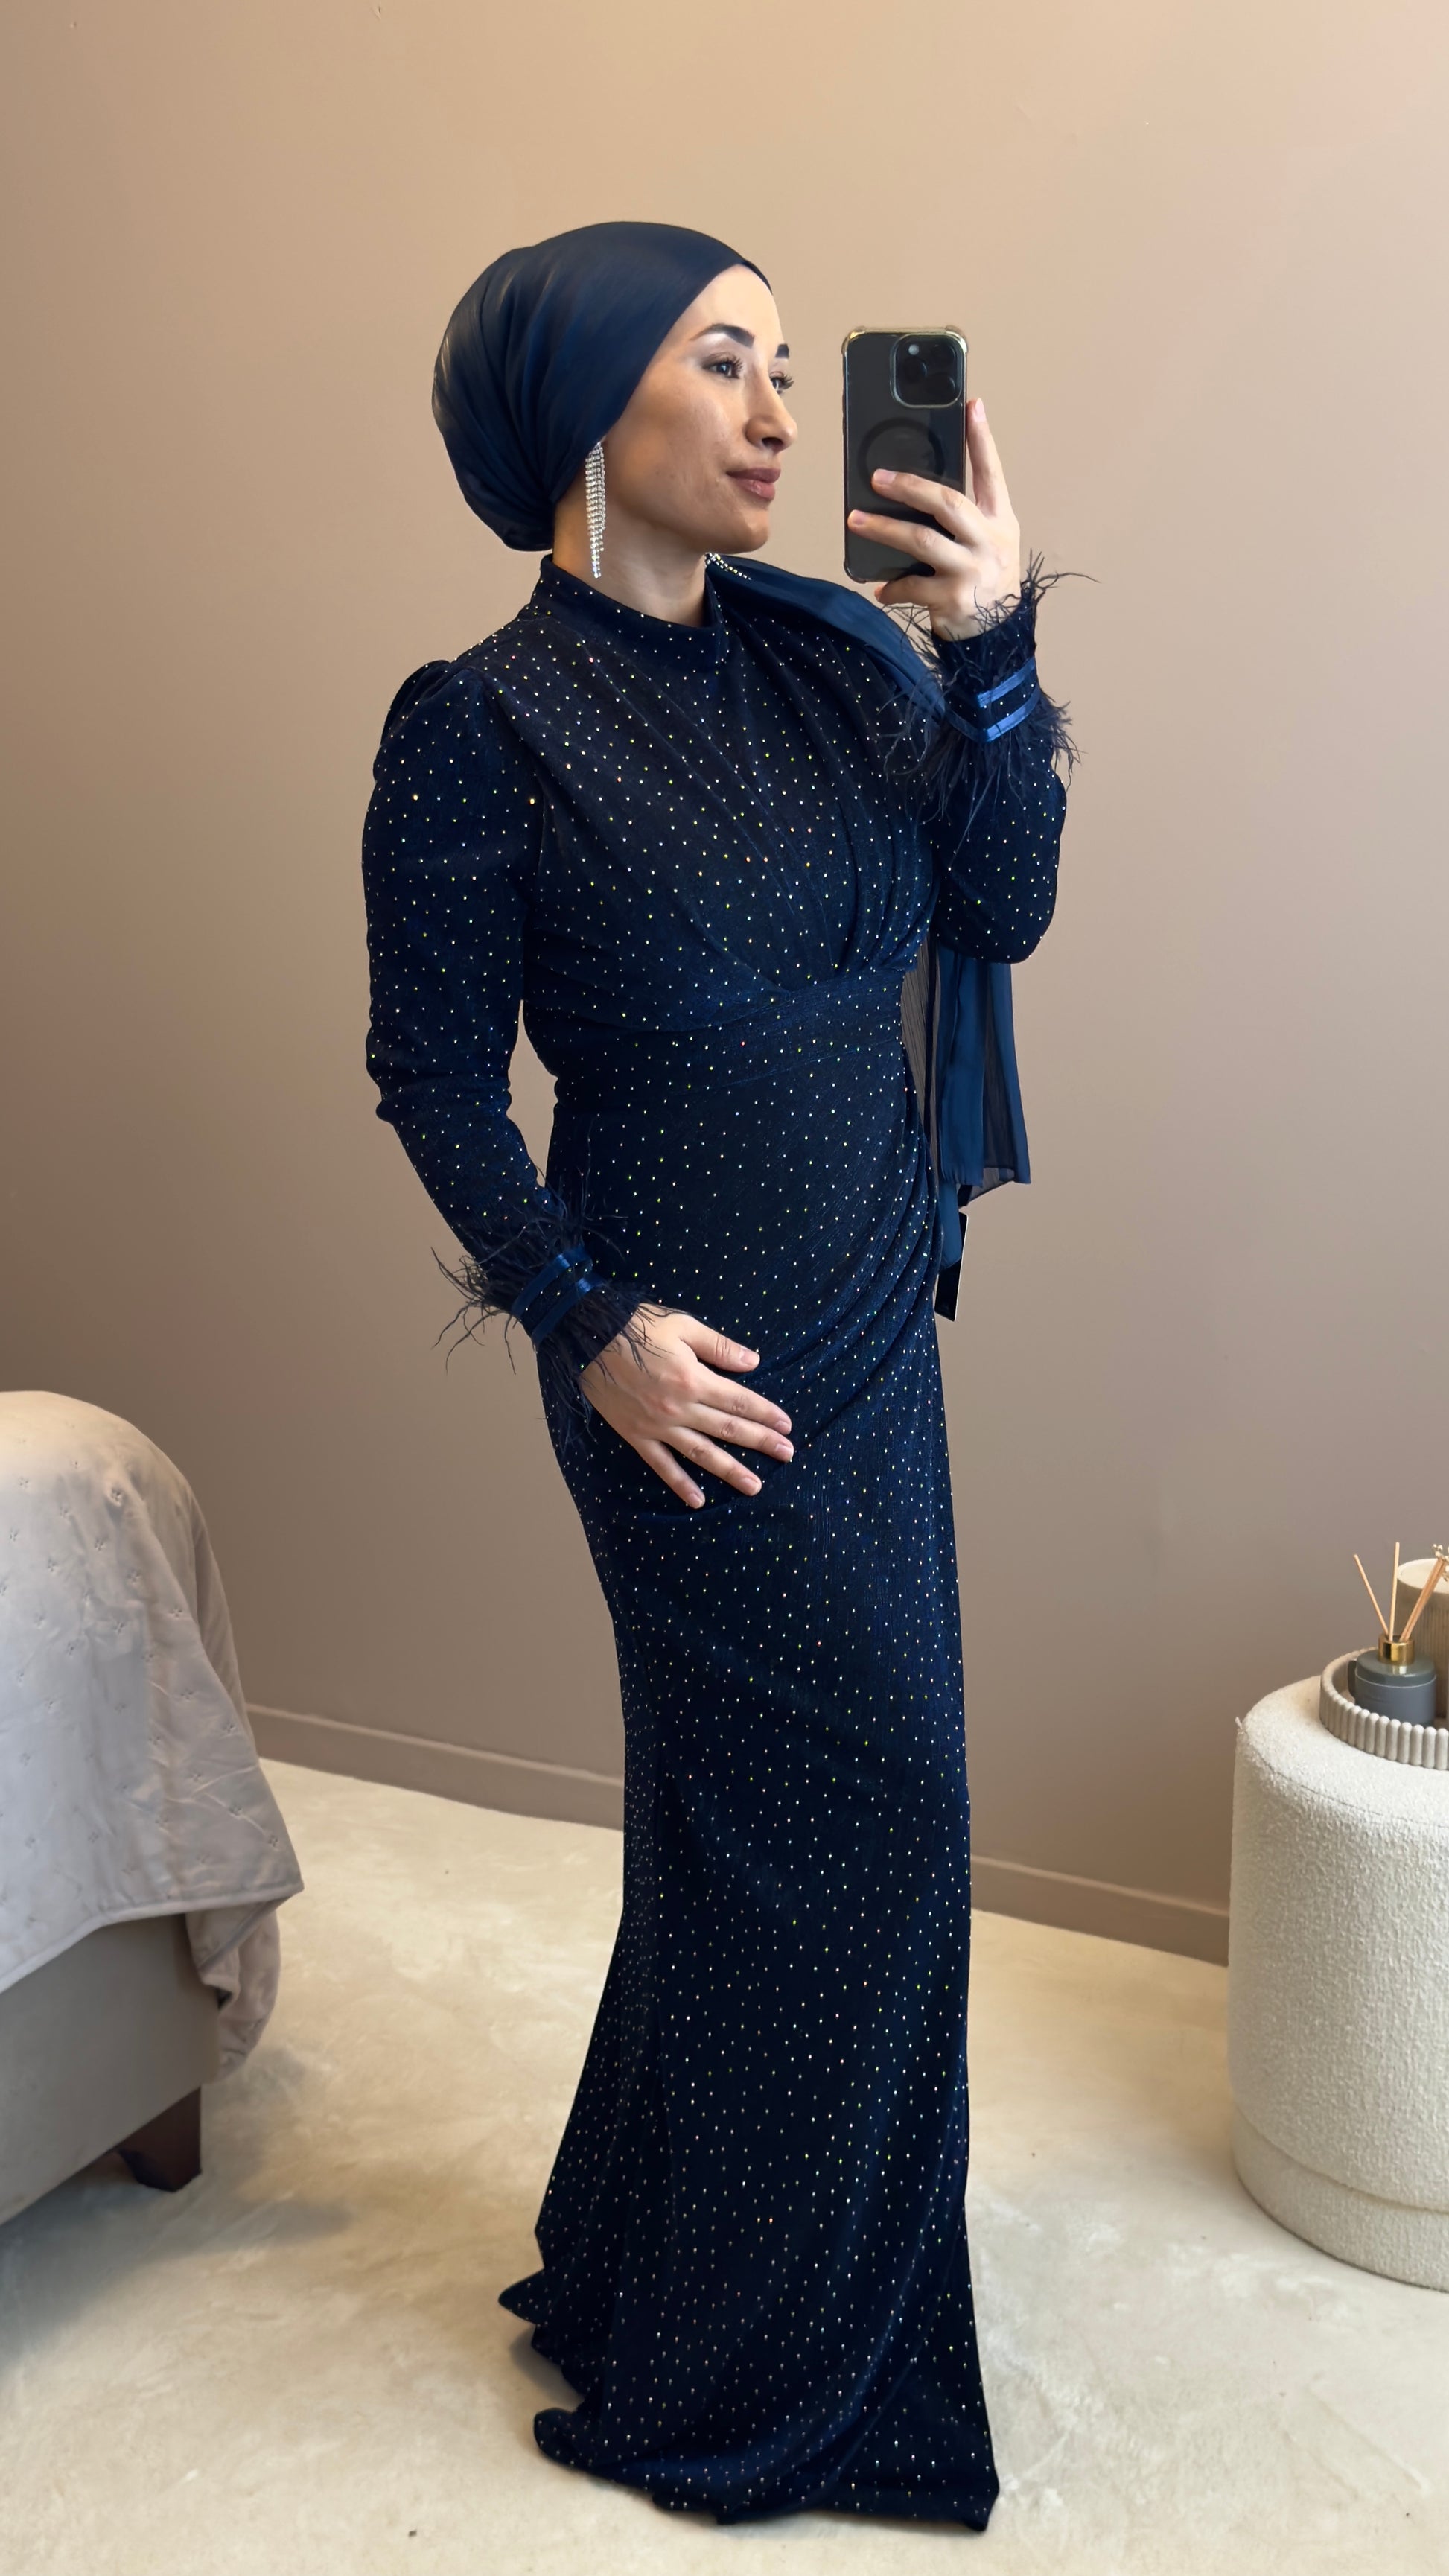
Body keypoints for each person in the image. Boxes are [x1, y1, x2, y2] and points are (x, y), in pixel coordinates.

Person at [362, 220, 1069, 2530]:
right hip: (683, 1360)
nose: (777, 410)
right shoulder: (477, 725)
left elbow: (1004, 901)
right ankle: (774, 2371)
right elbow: (434, 1074)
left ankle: (655, 2278)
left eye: (787, 365)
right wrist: (587, 1328)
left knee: (745, 1830)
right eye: (721, 362)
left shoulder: (838, 661)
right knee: (857, 1821)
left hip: (867, 1319)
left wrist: (993, 641)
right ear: (590, 405)